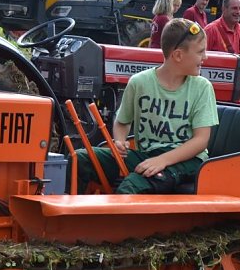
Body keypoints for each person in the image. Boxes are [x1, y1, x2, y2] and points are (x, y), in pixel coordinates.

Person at [72, 18, 218, 194]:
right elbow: (122, 121)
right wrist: (119, 141)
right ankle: (68, 217)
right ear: (178, 55)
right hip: (146, 156)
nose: (205, 57)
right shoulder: (139, 82)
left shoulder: (202, 87)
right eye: (201, 52)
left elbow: (201, 140)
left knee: (131, 187)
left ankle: (110, 221)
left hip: (187, 160)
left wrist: (162, 160)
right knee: (79, 158)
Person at [204, 0, 240, 68]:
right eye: (234, 8)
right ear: (224, 9)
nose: (238, 12)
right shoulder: (211, 30)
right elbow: (200, 58)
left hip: (237, 77)